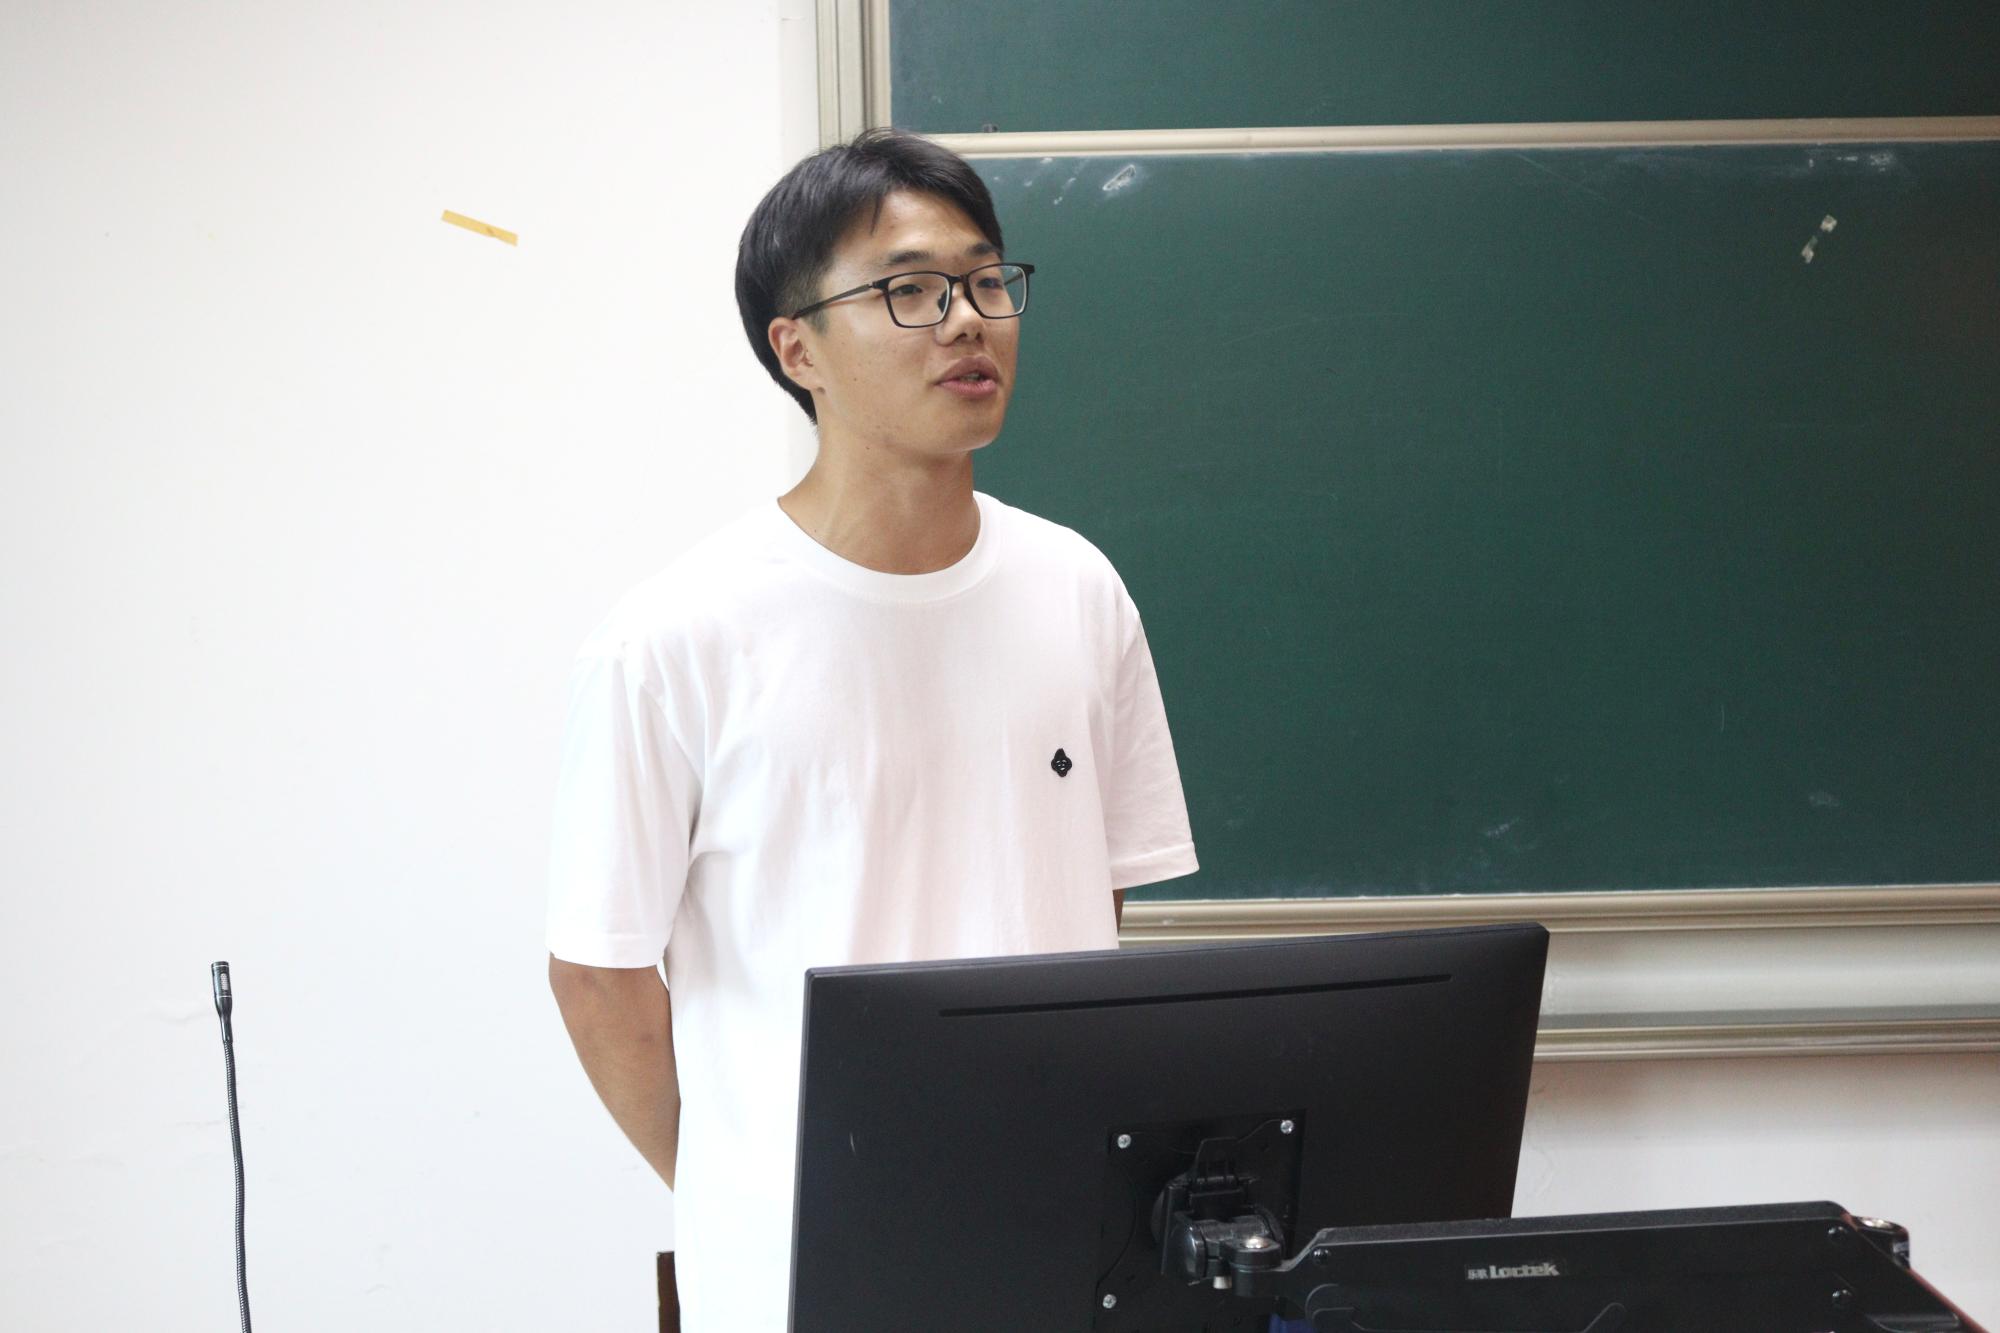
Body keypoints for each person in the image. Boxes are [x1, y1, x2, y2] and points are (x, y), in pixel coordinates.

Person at [545, 126, 1199, 1332]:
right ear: (796, 348)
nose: (966, 321)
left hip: (1060, 1242)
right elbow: (597, 972)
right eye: (908, 290)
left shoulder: (1076, 588)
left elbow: (1089, 891)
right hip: (802, 1267)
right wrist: (743, 1186)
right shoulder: (674, 636)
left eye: (985, 280)